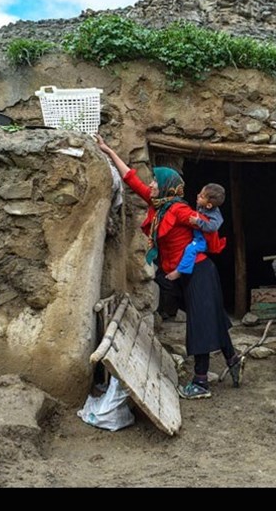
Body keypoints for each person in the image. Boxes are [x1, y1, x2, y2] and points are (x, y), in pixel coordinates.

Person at [94, 133, 243, 399]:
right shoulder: (159, 205)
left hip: (198, 271)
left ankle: (200, 382)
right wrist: (107, 150)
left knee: (200, 323)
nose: (150, 184)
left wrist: (204, 223)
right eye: (152, 182)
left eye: (155, 182)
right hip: (180, 273)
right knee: (210, 318)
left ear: (165, 187)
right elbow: (131, 179)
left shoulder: (180, 210)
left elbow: (209, 224)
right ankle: (232, 358)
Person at [165, 183, 226, 282]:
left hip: (201, 240)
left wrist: (198, 222)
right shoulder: (203, 205)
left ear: (209, 205)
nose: (198, 196)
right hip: (196, 234)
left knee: (190, 249)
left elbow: (212, 227)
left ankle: (180, 271)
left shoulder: (215, 216)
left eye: (201, 196)